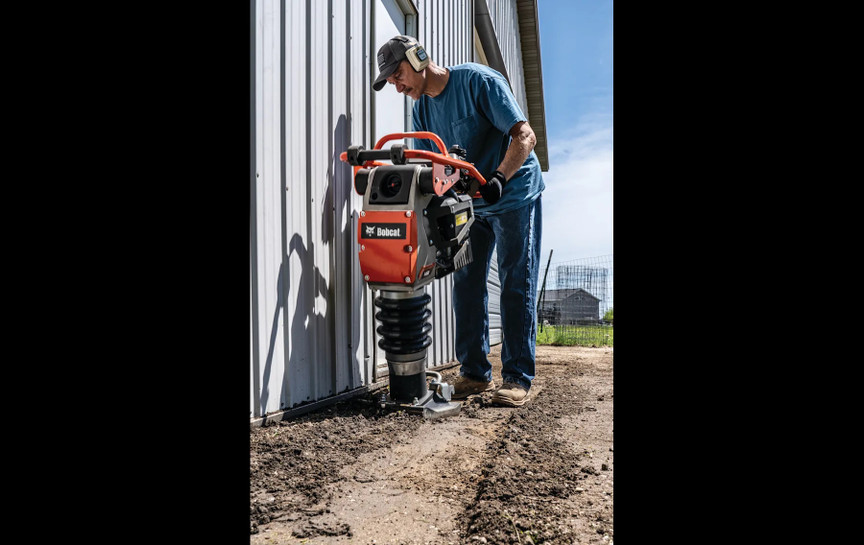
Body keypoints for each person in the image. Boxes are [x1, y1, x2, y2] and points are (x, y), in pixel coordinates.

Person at [372, 35, 544, 407]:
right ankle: (475, 372)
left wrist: (498, 177)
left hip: (513, 193)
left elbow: (525, 136)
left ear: (419, 58)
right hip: (473, 204)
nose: (397, 85)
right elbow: (440, 168)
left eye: (398, 74)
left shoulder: (478, 81)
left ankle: (517, 377)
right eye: (390, 81)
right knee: (465, 281)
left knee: (516, 281)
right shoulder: (422, 111)